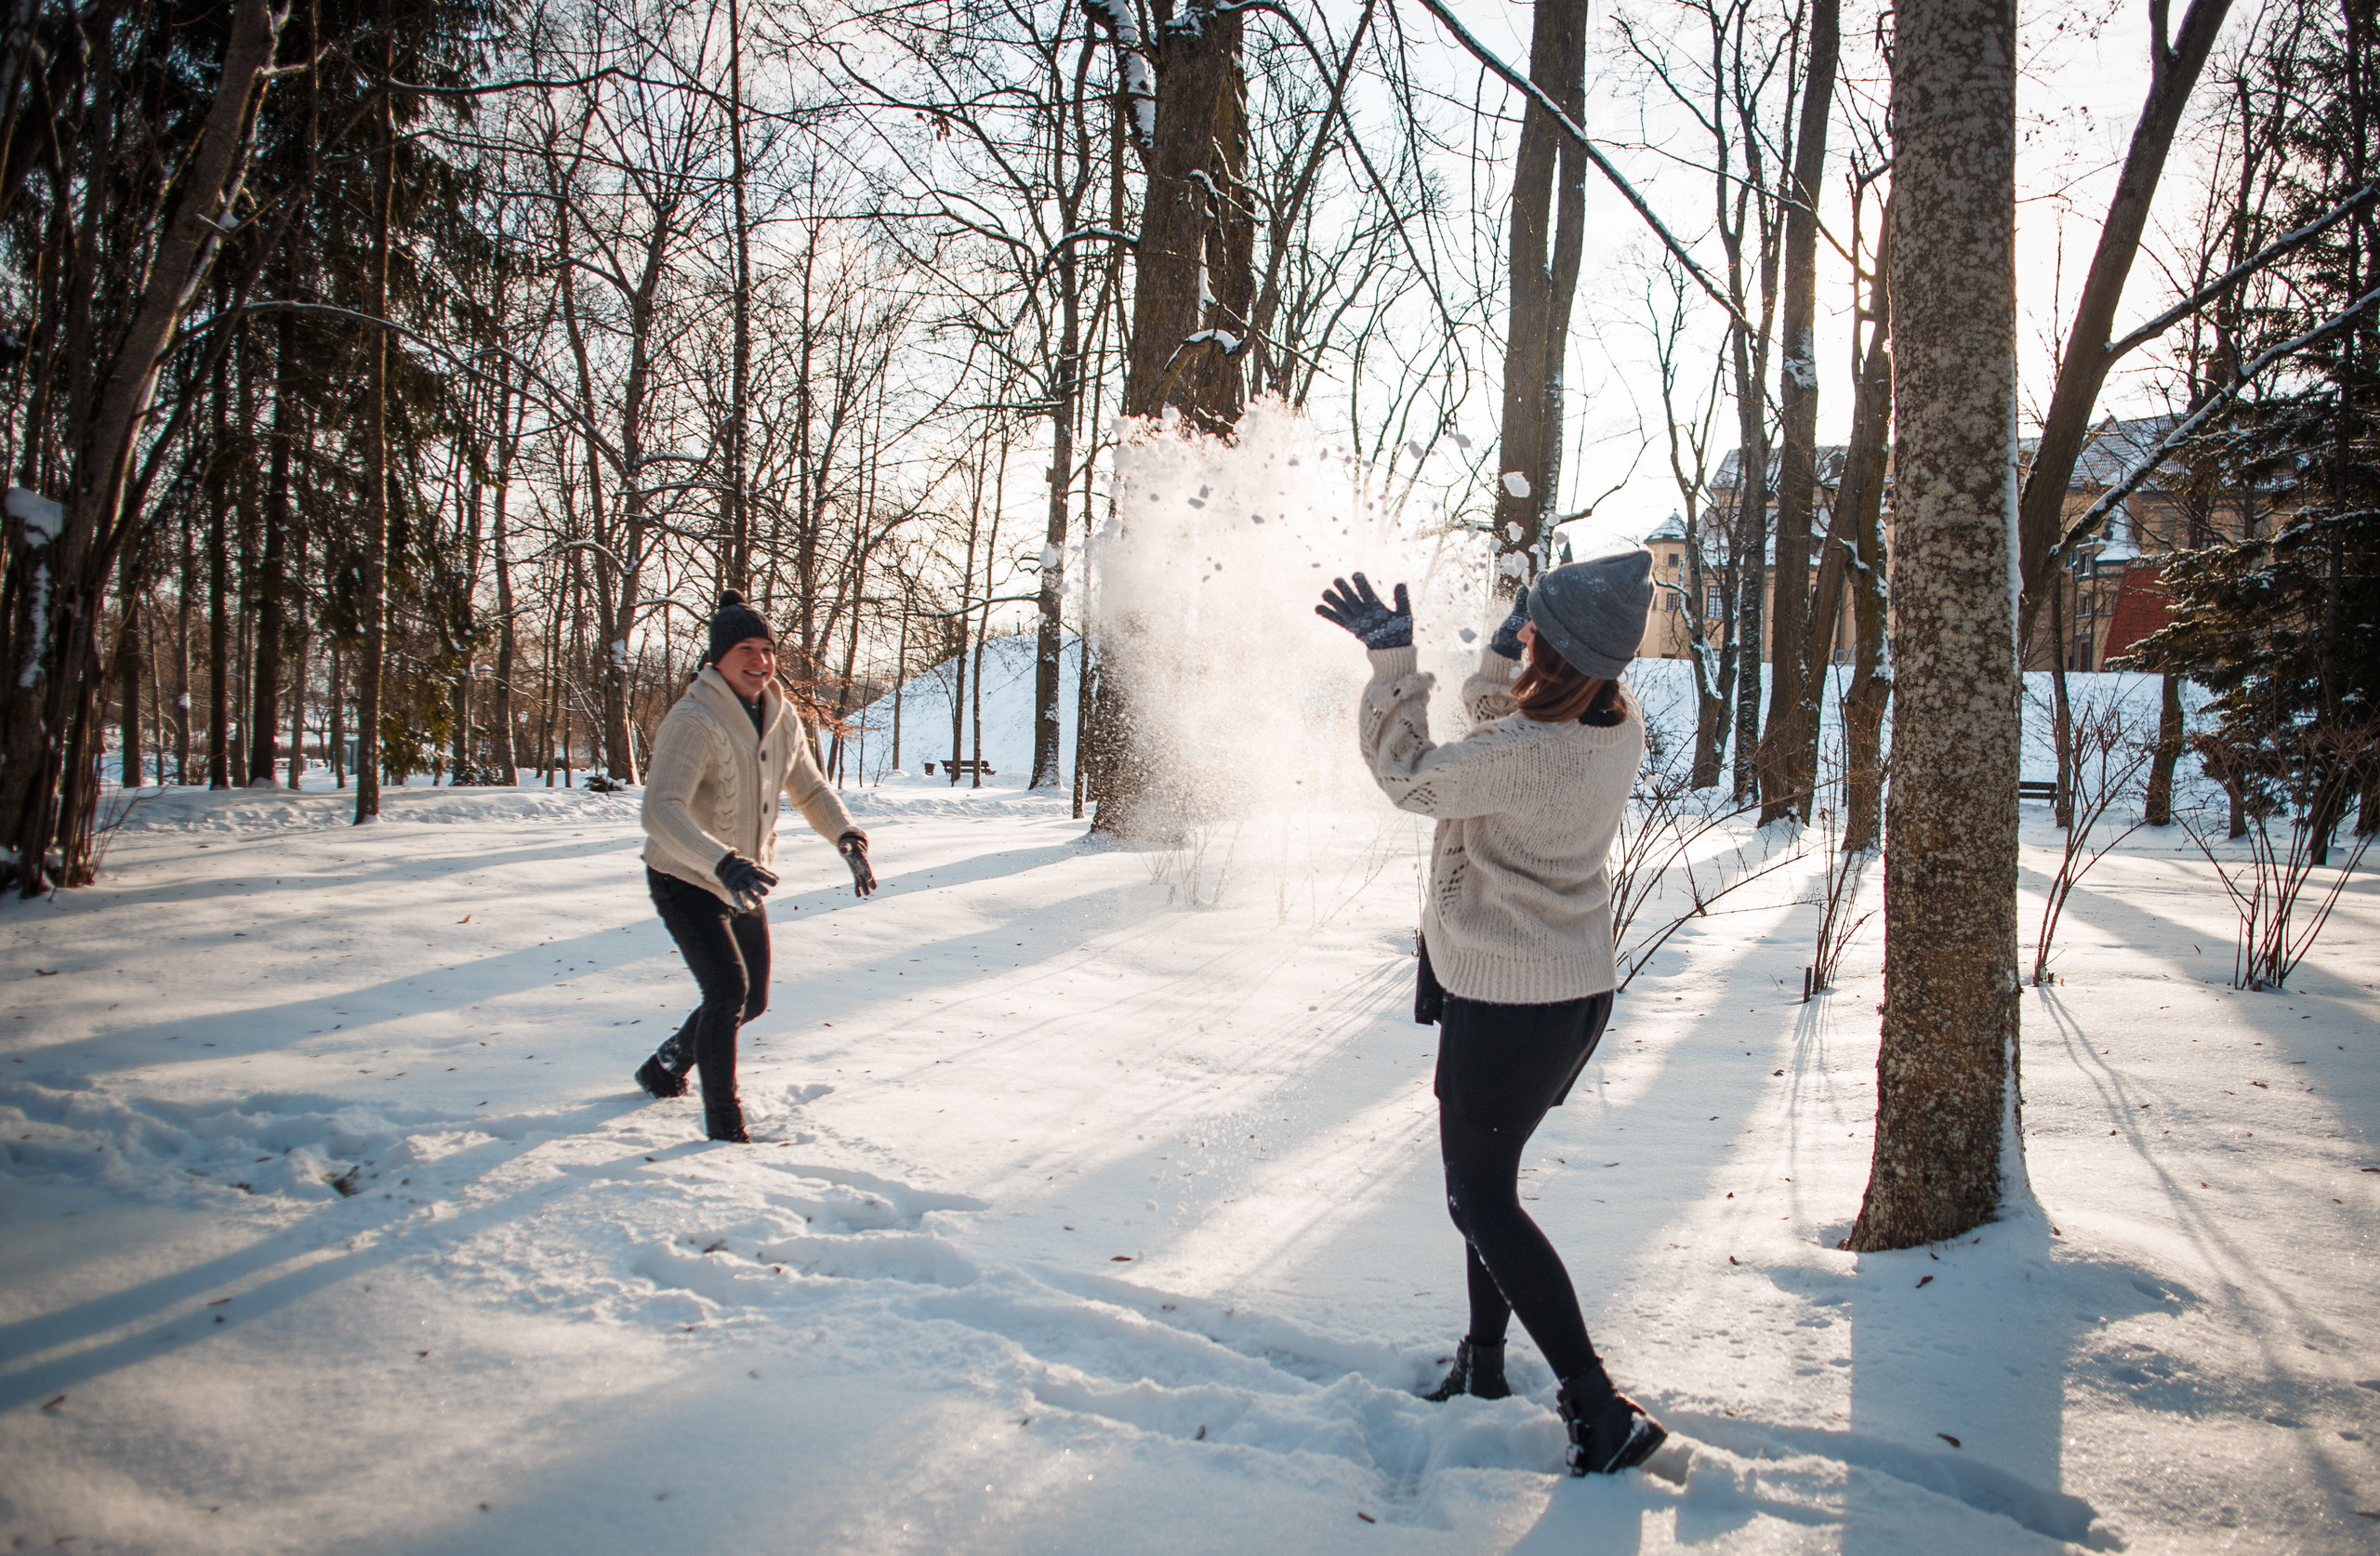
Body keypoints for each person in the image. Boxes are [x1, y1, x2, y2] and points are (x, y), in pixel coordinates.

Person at [1315, 552, 1665, 1476]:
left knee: (1479, 1197)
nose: (1525, 629)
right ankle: (1483, 1364)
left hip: (1517, 1000)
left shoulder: (1530, 752)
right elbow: (1503, 739)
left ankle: (1597, 1406)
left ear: (1559, 653)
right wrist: (1500, 665)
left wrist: (1395, 667)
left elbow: (1419, 778)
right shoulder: (1608, 722)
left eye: (1536, 626)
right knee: (1486, 1188)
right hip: (1554, 989)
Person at [633, 591, 879, 1142]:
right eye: (746, 648)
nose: (760, 660)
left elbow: (809, 786)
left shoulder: (780, 713)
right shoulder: (694, 719)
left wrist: (846, 837)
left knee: (754, 999)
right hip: (686, 877)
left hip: (742, 880)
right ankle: (724, 1126)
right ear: (717, 657)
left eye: (767, 649)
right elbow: (660, 809)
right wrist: (721, 862)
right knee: (726, 991)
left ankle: (667, 1061)